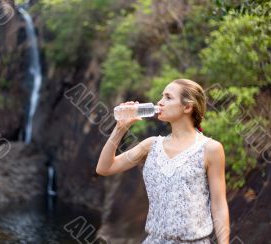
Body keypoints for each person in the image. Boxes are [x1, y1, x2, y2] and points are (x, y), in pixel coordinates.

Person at [96, 79, 230, 244]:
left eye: (168, 97)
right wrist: (120, 128)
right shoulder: (150, 146)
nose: (160, 102)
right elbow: (104, 168)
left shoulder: (211, 149)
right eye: (162, 96)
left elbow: (219, 205)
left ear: (187, 107)